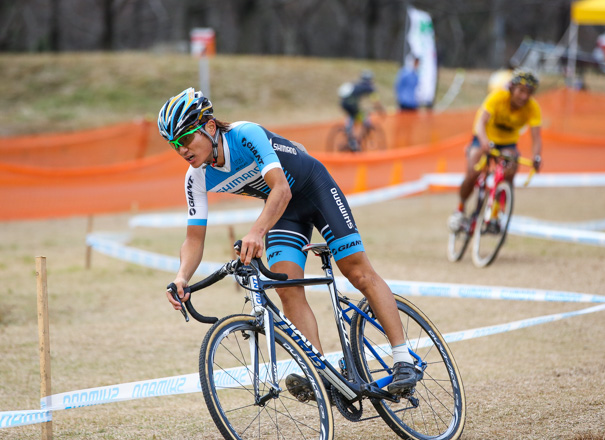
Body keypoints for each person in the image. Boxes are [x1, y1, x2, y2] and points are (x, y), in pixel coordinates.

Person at [160, 87, 419, 397]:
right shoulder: (196, 177)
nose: (182, 150)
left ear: (210, 127)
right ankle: (320, 371)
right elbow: (193, 238)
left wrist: (256, 232)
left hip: (313, 190)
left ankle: (403, 359)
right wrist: (181, 277)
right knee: (286, 285)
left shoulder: (245, 135)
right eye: (174, 144)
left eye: (186, 139)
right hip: (285, 213)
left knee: (357, 271)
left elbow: (281, 188)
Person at [448, 69, 543, 232]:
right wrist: (484, 142)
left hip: (508, 143)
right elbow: (480, 123)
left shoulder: (532, 108)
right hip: (485, 137)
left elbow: (537, 137)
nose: (524, 97)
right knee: (473, 171)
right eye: (521, 91)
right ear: (512, 88)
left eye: (529, 93)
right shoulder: (498, 97)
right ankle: (460, 209)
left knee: (511, 168)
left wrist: (537, 157)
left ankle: (496, 212)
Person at [338, 70, 385, 151]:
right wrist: (381, 110)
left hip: (345, 103)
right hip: (351, 104)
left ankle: (351, 136)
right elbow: (376, 101)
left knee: (355, 115)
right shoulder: (369, 87)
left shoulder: (358, 84)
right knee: (363, 118)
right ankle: (353, 142)